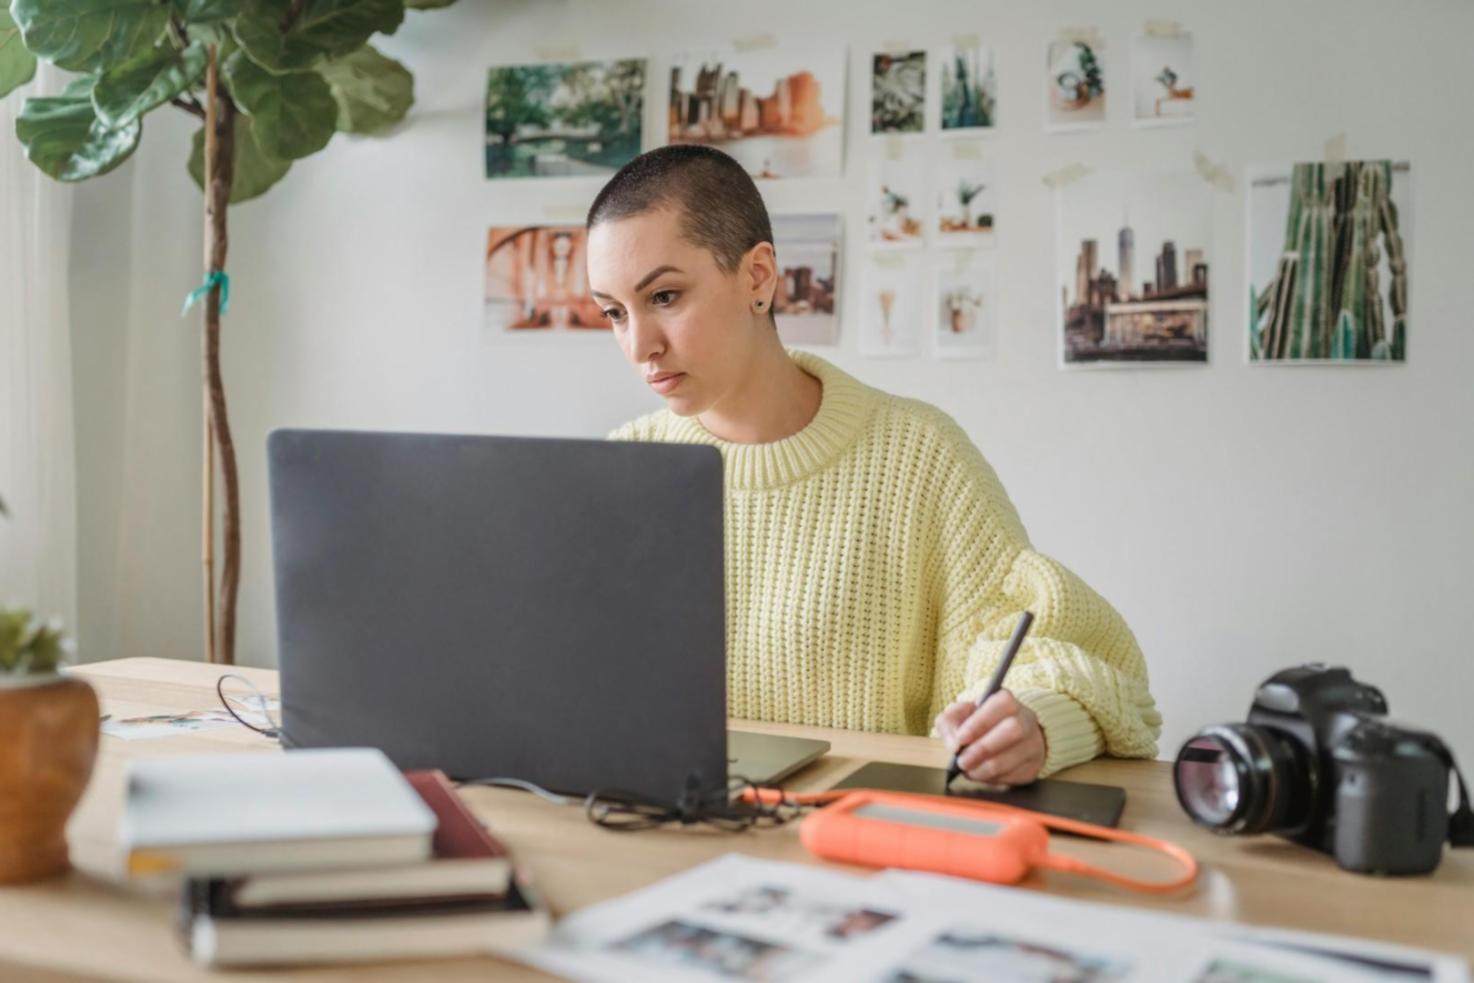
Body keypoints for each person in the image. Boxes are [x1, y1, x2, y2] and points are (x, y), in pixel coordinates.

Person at [587, 145, 1160, 786]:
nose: (639, 346)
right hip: (664, 842)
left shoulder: (917, 456)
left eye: (664, 296)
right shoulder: (625, 469)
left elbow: (1080, 658)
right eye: (614, 312)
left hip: (860, 849)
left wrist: (1038, 722)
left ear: (757, 277)